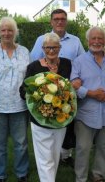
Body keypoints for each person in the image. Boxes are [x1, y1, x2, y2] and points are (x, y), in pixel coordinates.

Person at [31, 8, 85, 167]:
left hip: (69, 91)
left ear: (66, 21)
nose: (59, 21)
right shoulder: (42, 39)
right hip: (47, 90)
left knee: (68, 123)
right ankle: (50, 155)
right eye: (56, 19)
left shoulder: (75, 41)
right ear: (51, 22)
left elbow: (82, 62)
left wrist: (78, 82)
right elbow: (33, 62)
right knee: (50, 121)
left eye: (62, 19)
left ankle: (66, 155)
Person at [0, 17, 30, 182]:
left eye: (10, 30)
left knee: (21, 143)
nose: (7, 33)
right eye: (3, 29)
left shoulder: (24, 51)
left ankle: (22, 173)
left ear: (15, 32)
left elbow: (29, 79)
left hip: (20, 106)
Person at [20, 32, 72, 182]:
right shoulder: (33, 67)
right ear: (43, 48)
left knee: (55, 153)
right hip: (40, 119)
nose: (51, 50)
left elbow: (72, 86)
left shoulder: (67, 64)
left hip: (61, 119)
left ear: (60, 48)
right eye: (48, 47)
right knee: (45, 156)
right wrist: (37, 93)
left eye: (54, 47)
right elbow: (23, 91)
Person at [71, 26, 105, 182]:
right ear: (88, 41)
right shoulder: (78, 61)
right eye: (94, 38)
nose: (97, 41)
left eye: (100, 38)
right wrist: (91, 93)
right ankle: (81, 178)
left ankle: (98, 175)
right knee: (83, 148)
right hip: (86, 112)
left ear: (104, 41)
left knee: (102, 146)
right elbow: (73, 85)